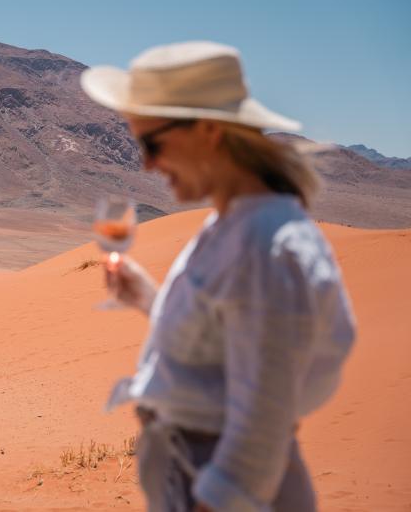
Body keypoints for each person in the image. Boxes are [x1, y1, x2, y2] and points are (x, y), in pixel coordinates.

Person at [80, 41, 356, 512]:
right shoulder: (234, 224)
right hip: (189, 477)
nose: (146, 164)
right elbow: (225, 346)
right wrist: (151, 299)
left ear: (208, 130)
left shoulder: (267, 244)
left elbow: (264, 420)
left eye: (152, 143)